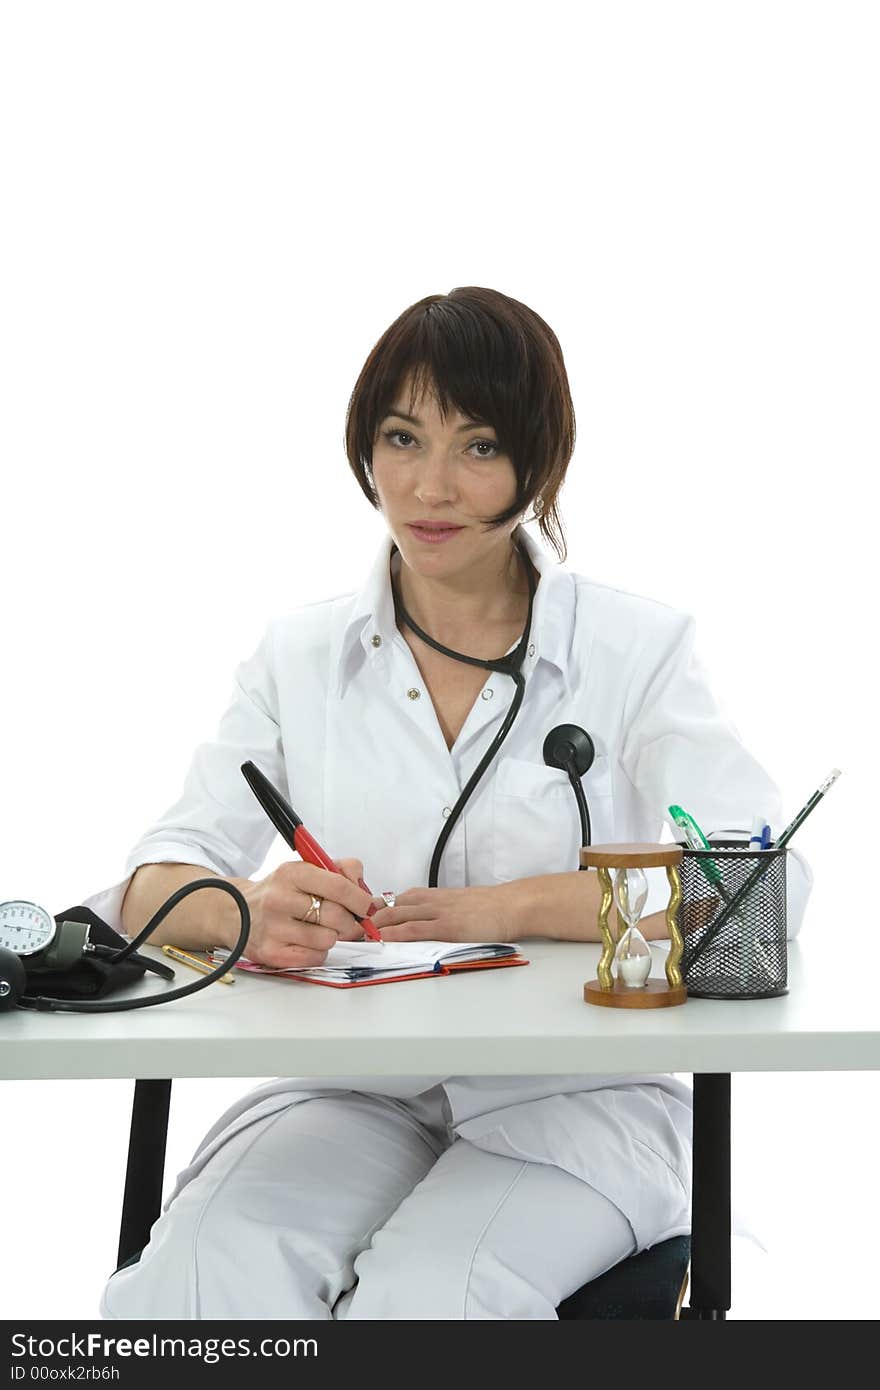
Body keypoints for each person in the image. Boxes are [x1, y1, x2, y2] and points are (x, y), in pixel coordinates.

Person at [86, 286, 812, 1320]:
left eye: (477, 447)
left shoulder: (635, 649)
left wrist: (509, 907)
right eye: (401, 437)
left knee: (427, 1302)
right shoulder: (300, 653)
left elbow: (761, 893)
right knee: (202, 1282)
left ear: (537, 463)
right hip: (346, 1088)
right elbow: (156, 875)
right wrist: (245, 906)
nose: (429, 485)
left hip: (580, 1097)